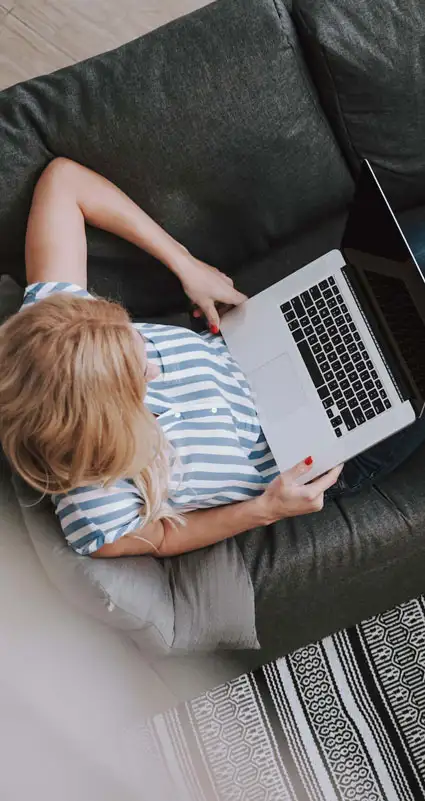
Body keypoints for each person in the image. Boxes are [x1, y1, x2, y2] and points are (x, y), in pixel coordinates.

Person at [0, 157, 424, 561]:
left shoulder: (53, 332)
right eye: (138, 376)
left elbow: (64, 181)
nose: (153, 362)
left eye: (133, 336)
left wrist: (185, 264)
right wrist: (266, 510)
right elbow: (163, 537)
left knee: (403, 264)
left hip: (263, 345)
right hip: (311, 456)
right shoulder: (95, 509)